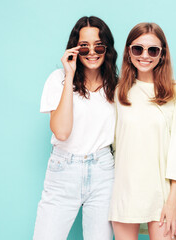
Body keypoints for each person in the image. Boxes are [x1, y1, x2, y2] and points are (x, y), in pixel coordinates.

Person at [33, 16, 118, 240]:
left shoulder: (116, 87)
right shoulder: (58, 79)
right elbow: (61, 132)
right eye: (84, 46)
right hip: (63, 170)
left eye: (98, 45)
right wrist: (70, 74)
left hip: (103, 172)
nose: (92, 52)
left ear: (106, 48)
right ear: (74, 48)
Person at [108, 22, 176, 240]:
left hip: (162, 194)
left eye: (152, 50)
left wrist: (173, 201)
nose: (144, 55)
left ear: (162, 55)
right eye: (138, 49)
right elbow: (113, 145)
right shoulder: (119, 92)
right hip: (125, 190)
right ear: (129, 52)